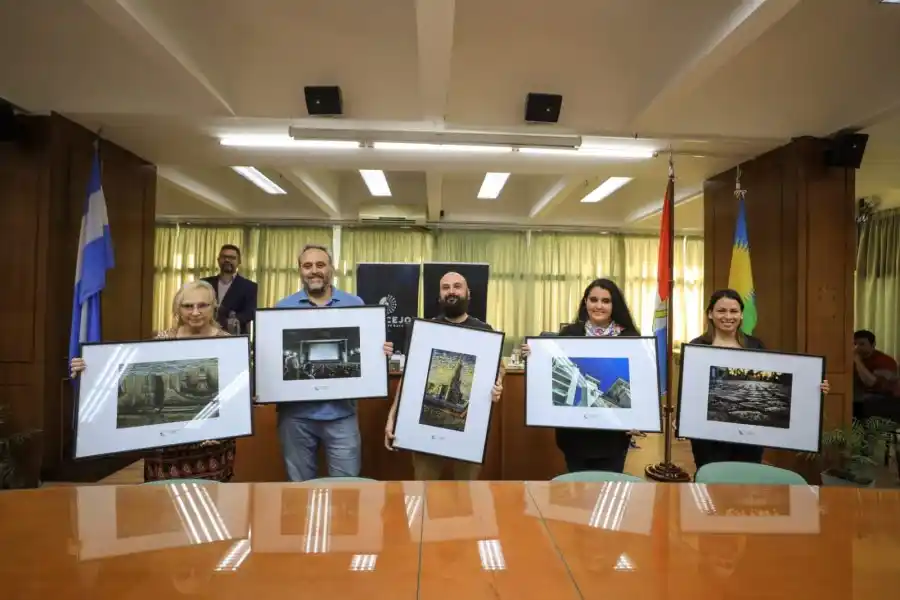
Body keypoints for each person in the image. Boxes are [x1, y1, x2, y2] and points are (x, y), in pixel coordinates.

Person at [70, 280, 237, 482]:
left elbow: (235, 393)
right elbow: (133, 383)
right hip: (166, 447)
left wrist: (223, 428)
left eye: (202, 305)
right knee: (161, 505)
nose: (195, 312)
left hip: (211, 446)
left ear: (214, 307)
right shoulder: (161, 341)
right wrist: (90, 368)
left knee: (209, 506)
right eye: (187, 306)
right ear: (177, 308)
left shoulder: (229, 343)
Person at [274, 244, 393, 482]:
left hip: (341, 414)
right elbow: (274, 360)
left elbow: (364, 354)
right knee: (298, 491)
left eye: (320, 265)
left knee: (346, 492)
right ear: (300, 270)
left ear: (332, 269)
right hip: (295, 417)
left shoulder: (355, 304)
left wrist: (378, 353)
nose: (314, 271)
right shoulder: (281, 309)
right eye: (307, 266)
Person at [687, 289, 831, 470]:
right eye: (721, 311)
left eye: (734, 311)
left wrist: (813, 386)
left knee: (746, 484)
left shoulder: (755, 345)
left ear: (741, 315)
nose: (728, 316)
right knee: (711, 480)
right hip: (708, 433)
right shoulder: (697, 347)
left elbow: (775, 385)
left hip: (750, 431)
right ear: (710, 313)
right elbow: (690, 388)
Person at [383, 271, 504, 480]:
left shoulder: (485, 332)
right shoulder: (424, 331)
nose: (451, 291)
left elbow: (498, 369)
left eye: (457, 286)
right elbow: (409, 378)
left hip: (468, 433)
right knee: (423, 494)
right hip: (424, 431)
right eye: (445, 287)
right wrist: (393, 416)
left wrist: (498, 384)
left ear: (468, 293)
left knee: (467, 497)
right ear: (439, 295)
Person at [520, 278, 640, 475]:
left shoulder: (631, 337)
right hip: (575, 435)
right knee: (577, 493)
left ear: (614, 305)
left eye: (605, 301)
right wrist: (534, 355)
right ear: (585, 302)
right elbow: (553, 370)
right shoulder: (569, 333)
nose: (599, 305)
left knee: (607, 492)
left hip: (613, 436)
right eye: (593, 299)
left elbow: (640, 383)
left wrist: (639, 417)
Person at [201, 244, 257, 335]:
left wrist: (232, 319)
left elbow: (250, 312)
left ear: (239, 262)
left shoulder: (249, 286)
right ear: (218, 260)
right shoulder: (204, 284)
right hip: (206, 335)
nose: (227, 260)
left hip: (234, 336)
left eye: (232, 258)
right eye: (224, 257)